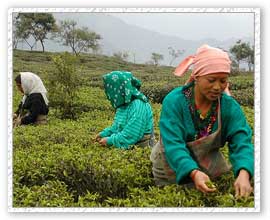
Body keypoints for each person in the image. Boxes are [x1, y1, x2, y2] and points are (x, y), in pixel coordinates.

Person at [150, 45, 254, 198]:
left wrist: (244, 173)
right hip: (171, 166)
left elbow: (242, 142)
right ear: (197, 76)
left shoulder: (229, 107)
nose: (218, 87)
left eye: (223, 80)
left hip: (207, 166)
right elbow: (173, 144)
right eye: (211, 80)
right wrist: (192, 172)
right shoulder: (175, 102)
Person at [95, 71, 154, 149]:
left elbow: (132, 134)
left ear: (119, 88)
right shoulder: (123, 104)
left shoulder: (138, 104)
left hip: (142, 147)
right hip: (129, 145)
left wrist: (110, 141)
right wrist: (103, 134)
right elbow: (117, 126)